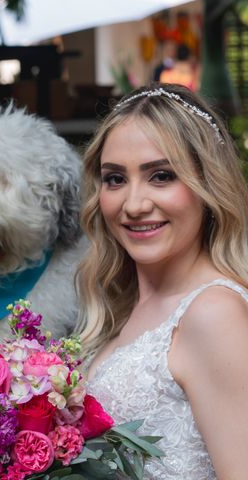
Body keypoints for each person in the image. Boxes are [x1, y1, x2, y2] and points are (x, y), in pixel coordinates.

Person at [77, 83, 248, 478]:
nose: (134, 205)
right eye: (115, 179)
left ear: (207, 184)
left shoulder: (214, 314)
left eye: (161, 176)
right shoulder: (121, 305)